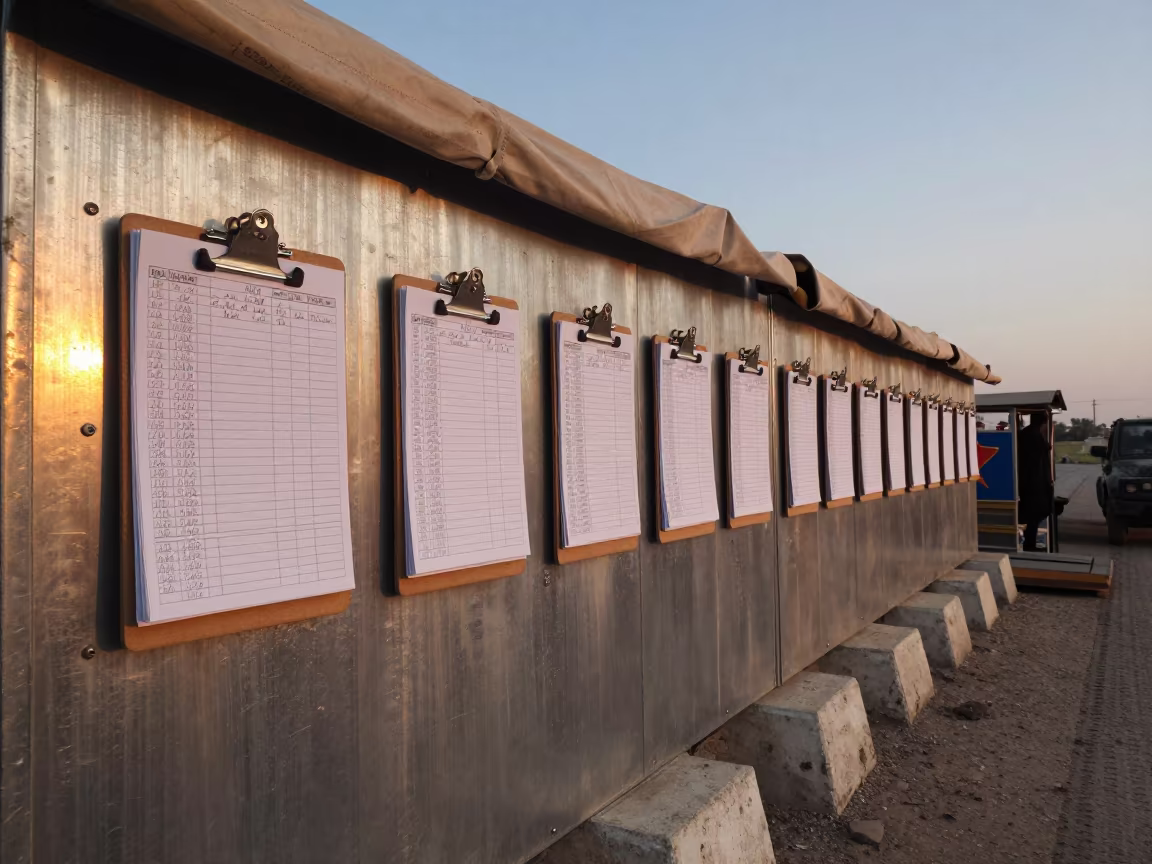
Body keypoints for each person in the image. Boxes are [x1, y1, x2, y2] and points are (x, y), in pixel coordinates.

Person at [1016, 411, 1054, 551]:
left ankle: (1029, 543)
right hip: (1033, 484)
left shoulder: (1028, 434)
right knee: (1034, 516)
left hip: (1030, 482)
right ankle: (1029, 544)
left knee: (1033, 516)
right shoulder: (1033, 436)